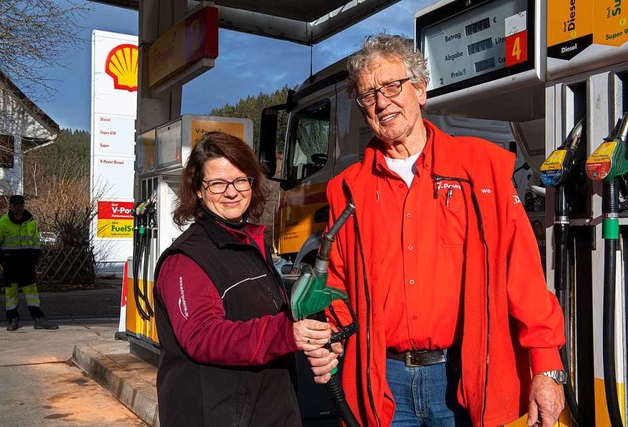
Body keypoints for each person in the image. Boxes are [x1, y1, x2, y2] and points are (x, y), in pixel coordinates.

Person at [304, 34, 566, 427]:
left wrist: (547, 368)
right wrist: (329, 337)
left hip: (466, 374)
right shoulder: (347, 188)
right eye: (368, 95)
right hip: (384, 381)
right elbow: (339, 283)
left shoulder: (482, 169)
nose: (382, 101)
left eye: (393, 86)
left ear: (421, 89)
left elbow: (523, 275)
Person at [152, 131, 331, 426]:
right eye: (218, 183)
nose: (232, 192)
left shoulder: (249, 245)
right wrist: (286, 334)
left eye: (240, 180)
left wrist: (310, 343)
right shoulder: (185, 260)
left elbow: (269, 323)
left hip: (270, 411)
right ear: (198, 189)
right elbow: (202, 336)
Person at [0, 195, 58, 331]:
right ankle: (12, 320)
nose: (18, 208)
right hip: (11, 264)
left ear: (23, 205)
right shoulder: (2, 223)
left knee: (32, 292)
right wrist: (2, 260)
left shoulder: (31, 222)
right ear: (10, 206)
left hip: (26, 263)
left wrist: (35, 258)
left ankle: (39, 320)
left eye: (20, 205)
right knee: (11, 293)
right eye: (15, 205)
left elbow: (36, 242)